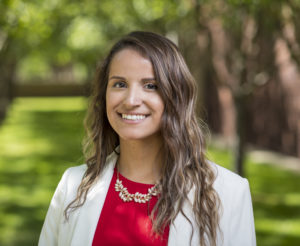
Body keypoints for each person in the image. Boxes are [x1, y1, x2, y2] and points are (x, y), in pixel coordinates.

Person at [38, 31, 256, 246]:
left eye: (150, 86)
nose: (131, 100)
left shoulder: (229, 193)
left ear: (175, 97)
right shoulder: (72, 186)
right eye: (119, 84)